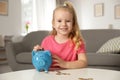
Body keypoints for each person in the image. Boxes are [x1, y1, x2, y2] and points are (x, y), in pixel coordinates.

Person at [33, 1, 87, 69]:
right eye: (59, 21)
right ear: (53, 23)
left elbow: (83, 62)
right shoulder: (46, 41)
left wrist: (65, 64)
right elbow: (42, 62)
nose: (64, 24)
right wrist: (38, 52)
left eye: (68, 21)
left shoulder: (77, 42)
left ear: (73, 24)